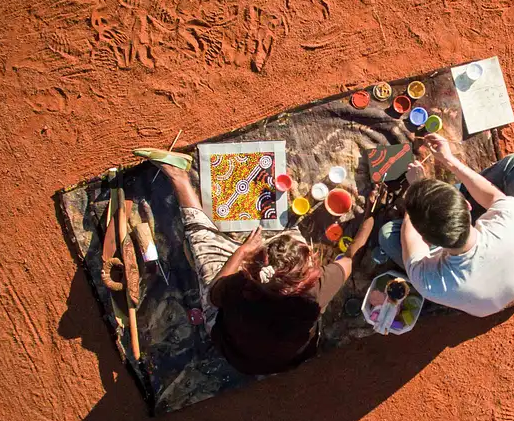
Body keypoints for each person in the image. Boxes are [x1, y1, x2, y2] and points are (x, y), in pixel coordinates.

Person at [145, 150, 381, 375]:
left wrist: (241, 252)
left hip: (238, 354)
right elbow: (350, 256)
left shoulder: (242, 286)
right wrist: (372, 210)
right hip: (283, 360)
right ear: (304, 278)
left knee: (203, 240)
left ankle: (179, 178)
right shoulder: (316, 292)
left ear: (259, 266)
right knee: (291, 230)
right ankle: (180, 177)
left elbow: (213, 296)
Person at [377, 134, 514, 317]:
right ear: (467, 204)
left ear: (426, 240)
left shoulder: (427, 281)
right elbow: (491, 196)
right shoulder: (512, 216)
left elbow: (410, 235)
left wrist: (416, 192)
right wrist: (449, 160)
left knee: (387, 234)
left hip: (477, 292)